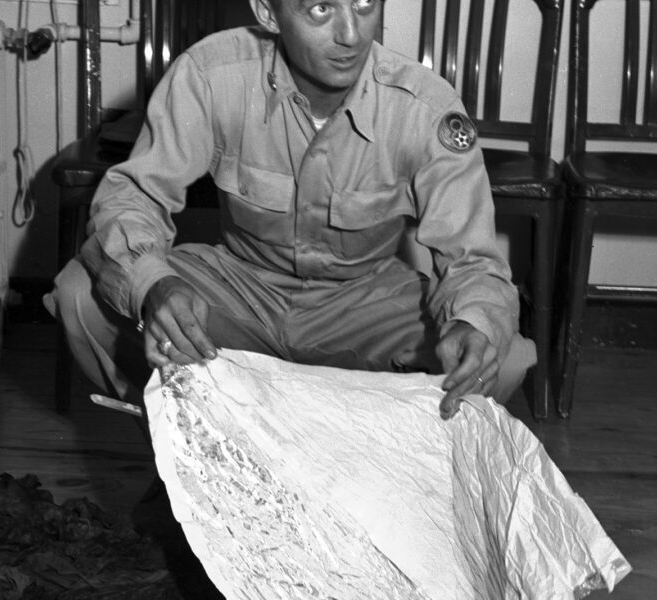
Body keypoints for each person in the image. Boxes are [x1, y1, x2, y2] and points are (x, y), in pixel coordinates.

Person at [46, 0, 536, 420]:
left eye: (365, 3)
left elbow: (472, 258)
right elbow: (134, 196)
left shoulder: (424, 108)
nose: (351, 33)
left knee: (501, 356)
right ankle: (183, 456)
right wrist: (155, 285)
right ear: (268, 12)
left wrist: (472, 322)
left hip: (362, 301)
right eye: (321, 9)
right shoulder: (212, 75)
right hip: (241, 289)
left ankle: (362, 470)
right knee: (81, 293)